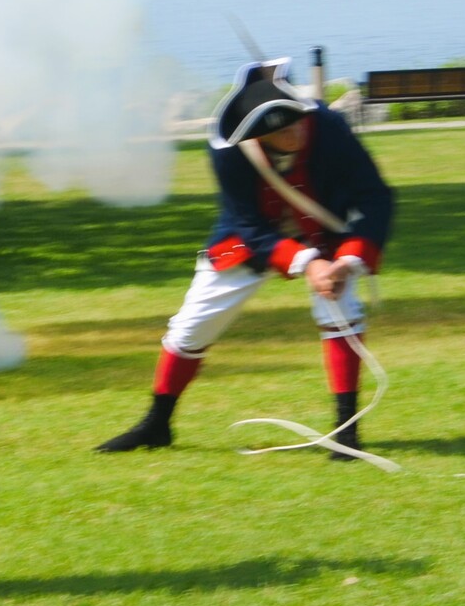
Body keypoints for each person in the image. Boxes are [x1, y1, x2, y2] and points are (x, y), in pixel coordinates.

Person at [96, 59, 395, 458]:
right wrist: (306, 262)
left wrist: (348, 260)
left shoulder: (329, 128)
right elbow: (248, 225)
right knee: (191, 327)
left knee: (342, 312)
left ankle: (347, 434)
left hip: (326, 230)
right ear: (257, 136)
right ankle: (157, 424)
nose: (296, 132)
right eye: (282, 131)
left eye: (297, 122)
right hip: (252, 240)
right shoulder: (229, 153)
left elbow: (375, 196)